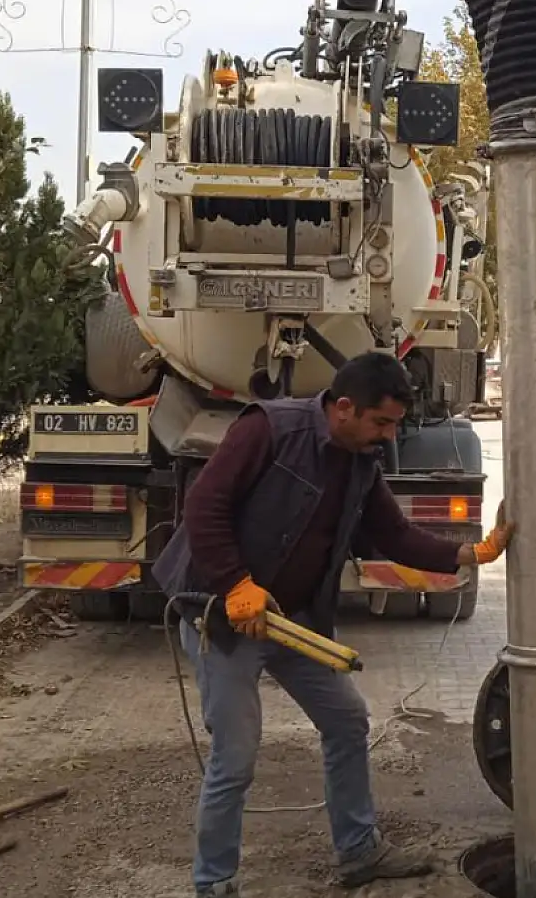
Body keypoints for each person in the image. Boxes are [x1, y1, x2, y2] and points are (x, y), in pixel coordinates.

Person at [169, 353, 514, 898]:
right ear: (345, 408)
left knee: (348, 720)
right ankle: (214, 882)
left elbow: (394, 536)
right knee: (235, 754)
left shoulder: (360, 460)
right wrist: (235, 583)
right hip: (227, 617)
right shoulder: (269, 428)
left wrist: (473, 553)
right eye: (382, 422)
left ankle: (358, 852)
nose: (388, 435)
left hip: (293, 621)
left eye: (395, 424)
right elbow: (203, 507)